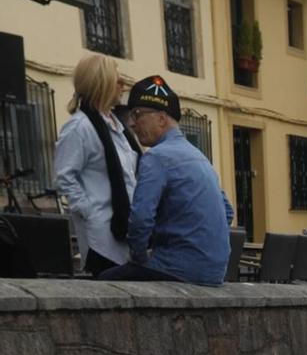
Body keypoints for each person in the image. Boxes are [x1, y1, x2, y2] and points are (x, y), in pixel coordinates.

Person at [98, 76, 232, 284]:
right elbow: (228, 212)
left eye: (137, 114)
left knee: (105, 281)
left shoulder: (156, 157)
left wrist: (140, 258)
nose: (132, 123)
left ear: (161, 119)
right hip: (214, 274)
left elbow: (140, 220)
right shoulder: (199, 156)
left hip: (177, 270)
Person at [53, 52, 138, 274]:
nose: (123, 85)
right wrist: (88, 211)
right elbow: (64, 177)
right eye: (118, 80)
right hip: (102, 239)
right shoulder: (79, 127)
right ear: (102, 83)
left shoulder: (118, 127)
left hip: (126, 235)